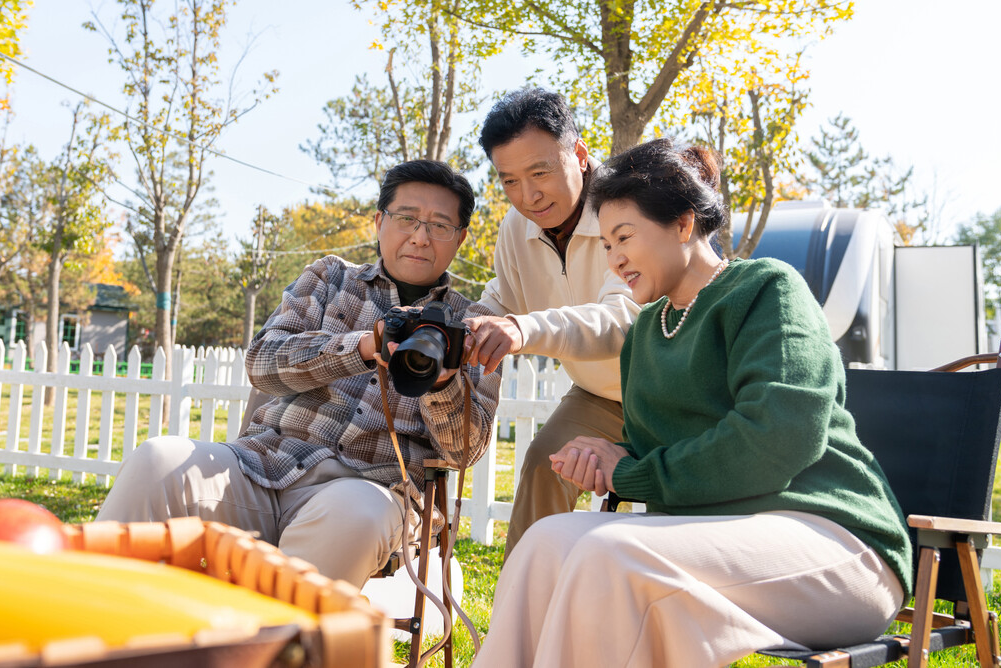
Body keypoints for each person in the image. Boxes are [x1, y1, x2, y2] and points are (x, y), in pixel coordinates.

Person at [472, 138, 912, 667]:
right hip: (716, 540)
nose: (615, 259)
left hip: (835, 546)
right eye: (608, 244)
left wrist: (631, 474)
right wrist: (604, 460)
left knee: (607, 553)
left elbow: (778, 437)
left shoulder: (766, 289)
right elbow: (644, 454)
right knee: (546, 543)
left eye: (625, 238)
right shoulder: (646, 336)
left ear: (683, 224)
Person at [96, 160, 502, 589]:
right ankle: (90, 627)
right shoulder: (330, 278)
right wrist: (364, 346)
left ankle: (267, 650)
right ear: (379, 220)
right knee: (157, 459)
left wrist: (442, 382)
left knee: (354, 515)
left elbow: (465, 452)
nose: (420, 236)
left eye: (440, 225)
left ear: (460, 238)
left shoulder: (473, 324)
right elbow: (261, 363)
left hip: (373, 488)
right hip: (264, 467)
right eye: (407, 218)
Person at [465, 88, 640, 557]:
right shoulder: (514, 229)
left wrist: (524, 330)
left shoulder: (627, 211)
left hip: (671, 390)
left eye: (540, 172)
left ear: (579, 155)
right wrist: (452, 326)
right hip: (599, 396)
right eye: (510, 182)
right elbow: (500, 301)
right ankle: (519, 619)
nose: (529, 195)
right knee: (545, 463)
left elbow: (622, 319)